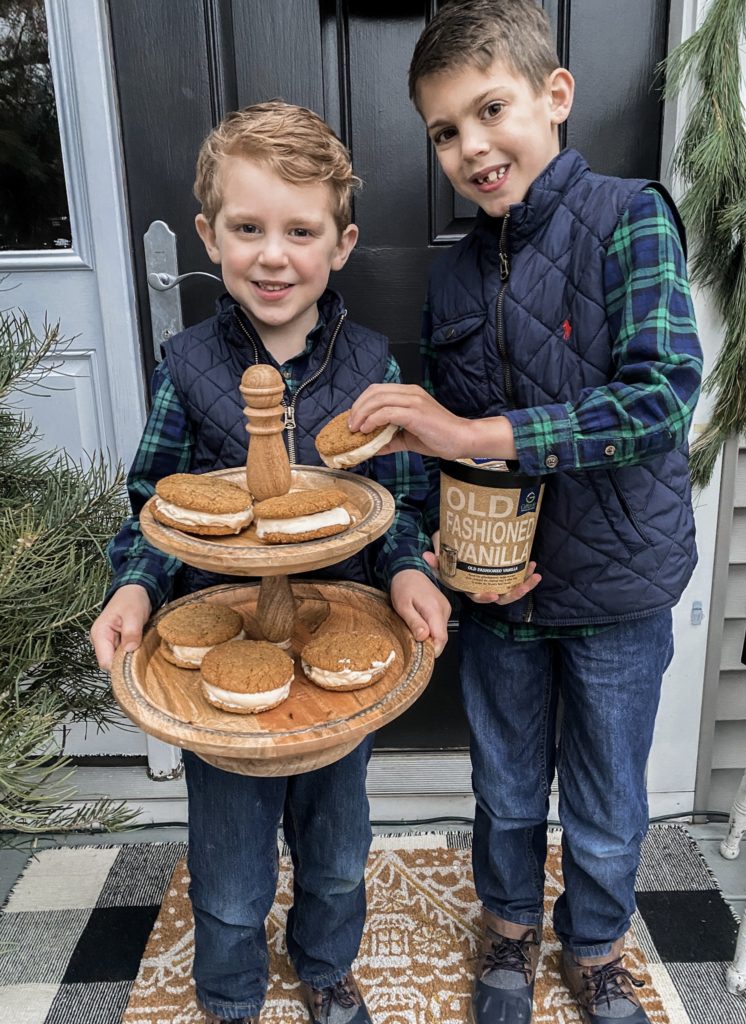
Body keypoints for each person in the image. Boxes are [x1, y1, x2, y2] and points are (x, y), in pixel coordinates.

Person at [348, 3, 703, 1023]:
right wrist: (442, 550)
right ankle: (507, 930)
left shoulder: (631, 217)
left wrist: (471, 433)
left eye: (488, 109)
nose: (470, 146)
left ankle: (595, 946)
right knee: (504, 788)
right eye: (445, 131)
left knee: (605, 802)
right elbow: (439, 453)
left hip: (618, 588)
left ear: (555, 97)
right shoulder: (455, 269)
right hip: (497, 596)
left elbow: (660, 396)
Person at [90, 101, 451, 1024]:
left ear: (342, 243)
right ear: (210, 237)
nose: (273, 255)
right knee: (231, 860)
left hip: (337, 668)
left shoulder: (371, 369)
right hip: (223, 674)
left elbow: (400, 504)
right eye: (248, 228)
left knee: (335, 847)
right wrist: (134, 585)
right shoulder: (189, 368)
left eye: (301, 230)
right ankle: (230, 993)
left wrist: (408, 570)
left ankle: (327, 970)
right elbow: (154, 500)